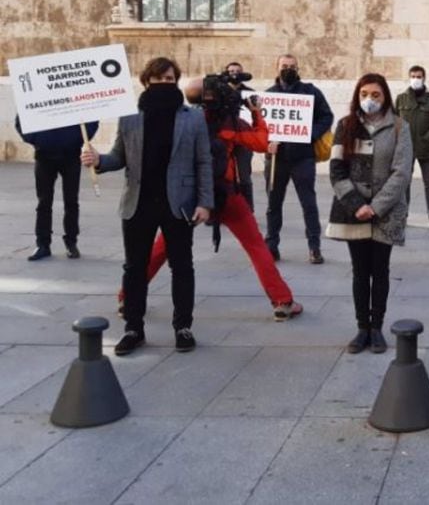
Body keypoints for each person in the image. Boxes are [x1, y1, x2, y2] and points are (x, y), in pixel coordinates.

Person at [121, 76, 304, 323]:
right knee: (256, 246)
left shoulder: (182, 120)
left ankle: (127, 296)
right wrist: (257, 114)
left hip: (187, 196)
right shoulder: (229, 124)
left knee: (162, 248)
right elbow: (261, 142)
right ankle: (282, 301)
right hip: (224, 193)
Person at [81, 57, 213, 356]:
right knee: (134, 267)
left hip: (177, 203)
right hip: (139, 202)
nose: (165, 84)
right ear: (146, 81)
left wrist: (205, 203)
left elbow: (204, 161)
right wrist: (98, 160)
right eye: (159, 79)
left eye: (170, 80)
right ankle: (133, 328)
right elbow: (119, 156)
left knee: (182, 266)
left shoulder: (191, 117)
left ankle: (183, 326)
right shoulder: (130, 116)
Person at [327, 73, 413, 354]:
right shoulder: (345, 125)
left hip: (385, 213)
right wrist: (356, 204)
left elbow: (402, 172)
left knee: (380, 269)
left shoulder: (400, 127)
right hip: (353, 210)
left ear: (385, 96)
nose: (370, 99)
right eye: (365, 93)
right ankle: (361, 327)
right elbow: (337, 169)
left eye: (376, 94)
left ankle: (377, 327)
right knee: (360, 272)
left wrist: (375, 207)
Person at [264, 54, 334, 264]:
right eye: (284, 66)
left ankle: (314, 247)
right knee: (273, 204)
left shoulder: (311, 92)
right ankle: (271, 246)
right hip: (277, 158)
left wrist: (310, 134)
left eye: (292, 66)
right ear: (277, 68)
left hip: (303, 157)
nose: (288, 69)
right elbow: (258, 126)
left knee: (309, 204)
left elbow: (326, 116)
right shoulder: (268, 96)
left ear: (298, 68)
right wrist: (266, 142)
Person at [17, 116, 97, 261]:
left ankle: (71, 243)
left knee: (71, 201)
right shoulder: (35, 93)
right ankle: (43, 244)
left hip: (71, 154)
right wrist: (37, 139)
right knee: (44, 202)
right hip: (44, 155)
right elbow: (21, 118)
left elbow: (91, 118)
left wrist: (78, 139)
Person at [394, 64, 429, 229]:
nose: (415, 79)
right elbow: (394, 121)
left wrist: (428, 136)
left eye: (418, 76)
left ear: (424, 78)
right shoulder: (401, 99)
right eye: (413, 76)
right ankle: (403, 215)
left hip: (426, 148)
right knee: (405, 182)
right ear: (409, 78)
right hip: (406, 148)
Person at [224, 61, 256, 211]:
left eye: (238, 71)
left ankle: (248, 209)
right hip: (224, 139)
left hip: (244, 138)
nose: (234, 74)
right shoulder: (220, 91)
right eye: (231, 71)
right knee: (222, 174)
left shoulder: (250, 93)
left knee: (244, 176)